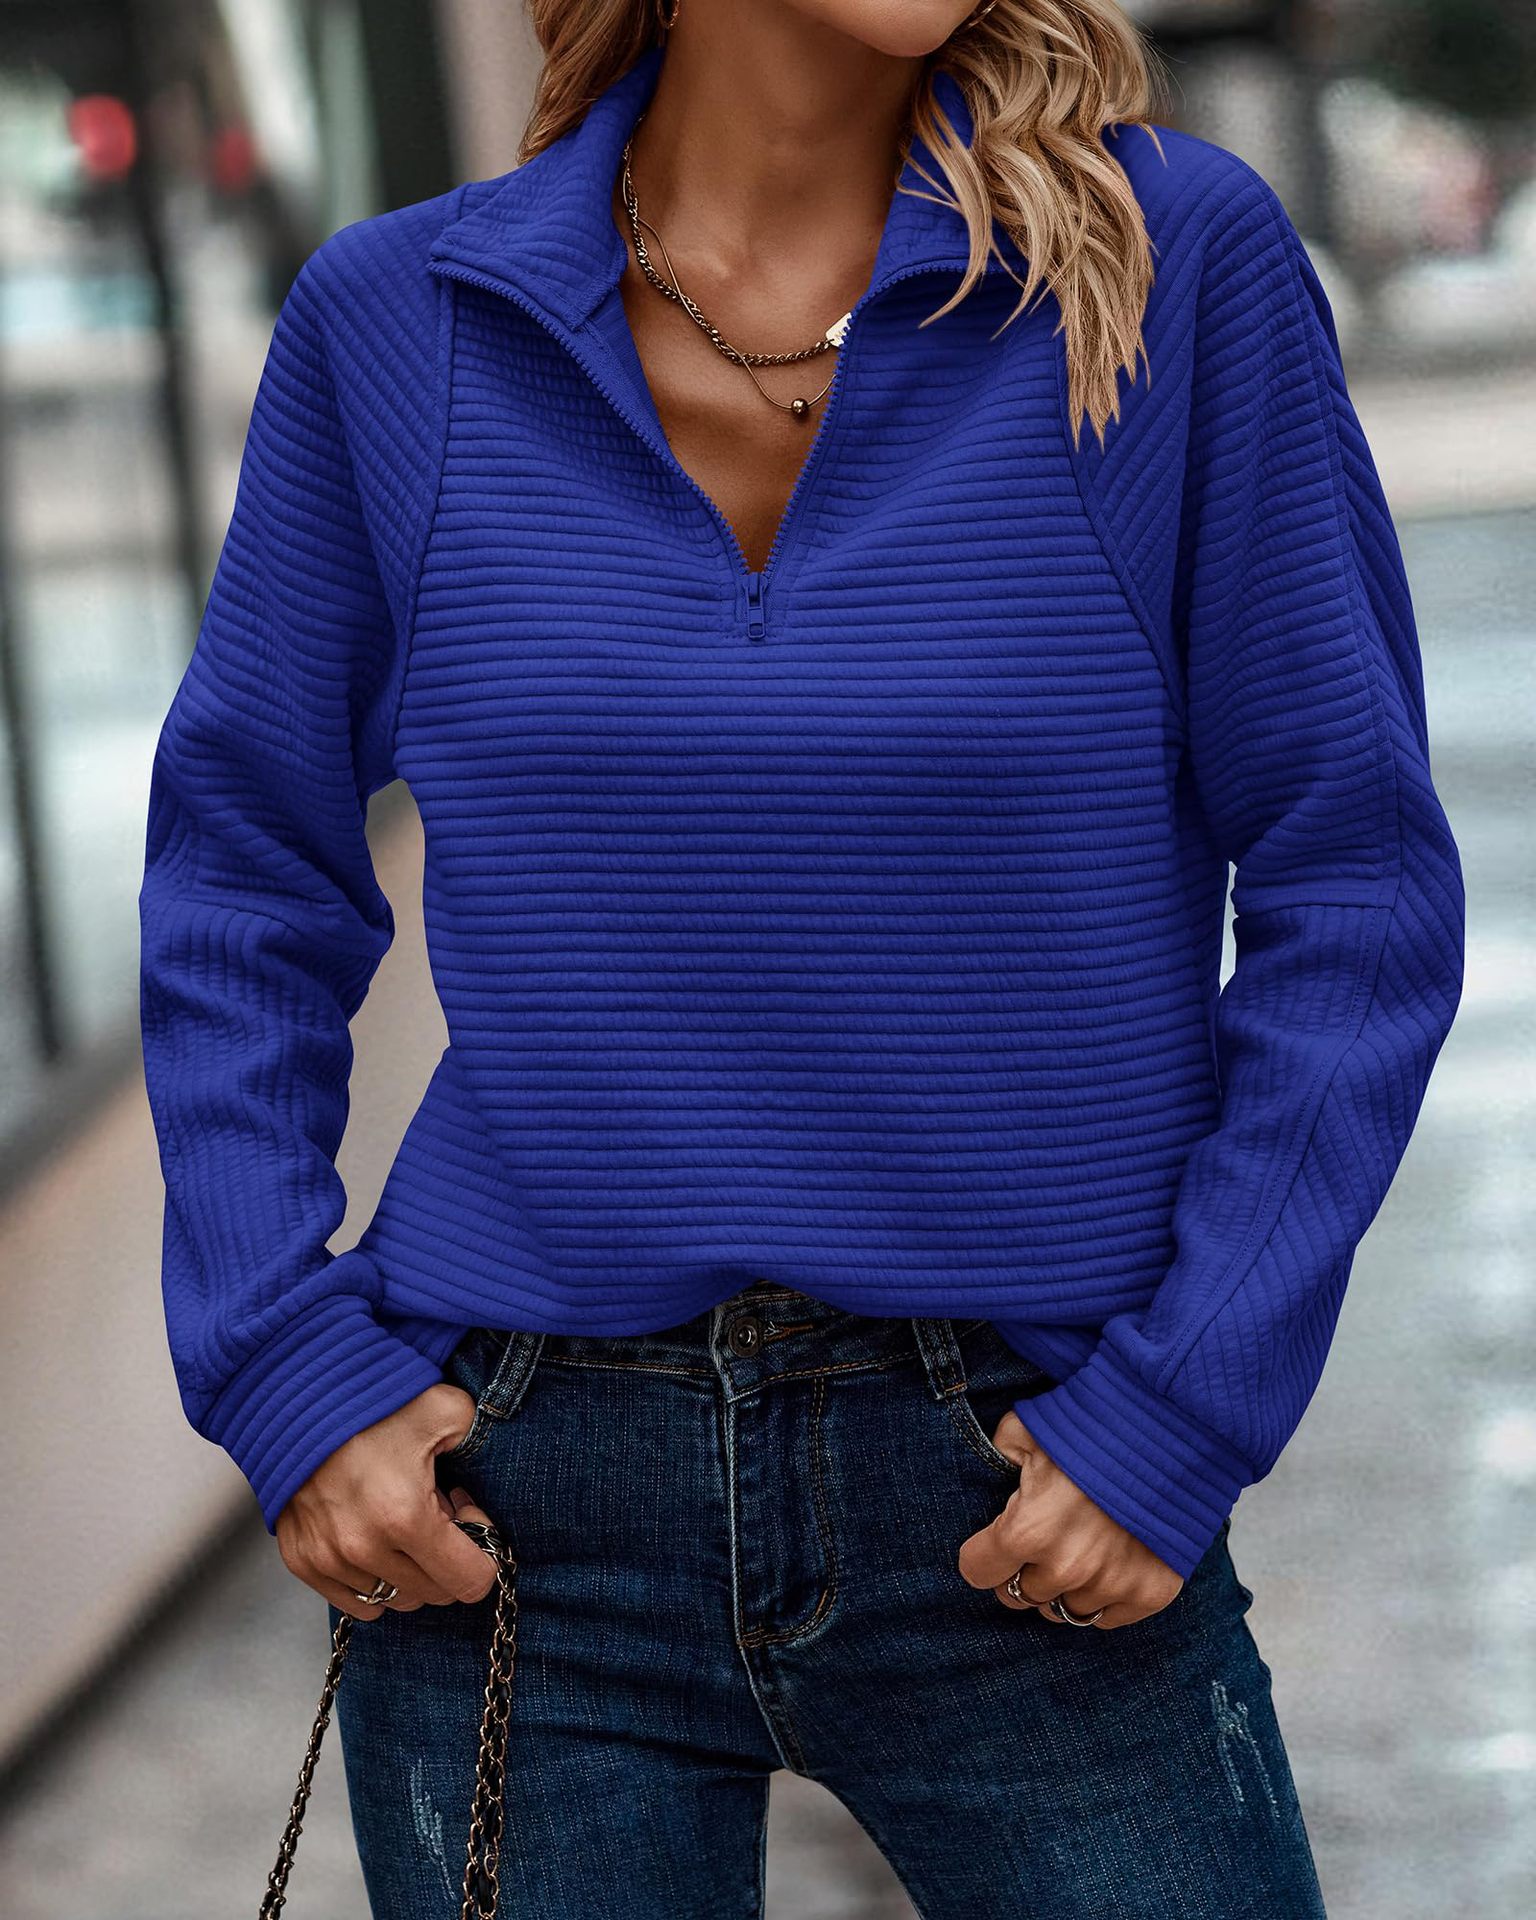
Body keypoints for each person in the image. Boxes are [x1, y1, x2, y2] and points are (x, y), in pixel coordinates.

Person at [137, 1, 1466, 1913]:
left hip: (1029, 1467)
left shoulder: (1164, 270)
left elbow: (1359, 882)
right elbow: (242, 880)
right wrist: (283, 1361)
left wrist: (1184, 1406)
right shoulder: (395, 325)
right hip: (515, 1499)